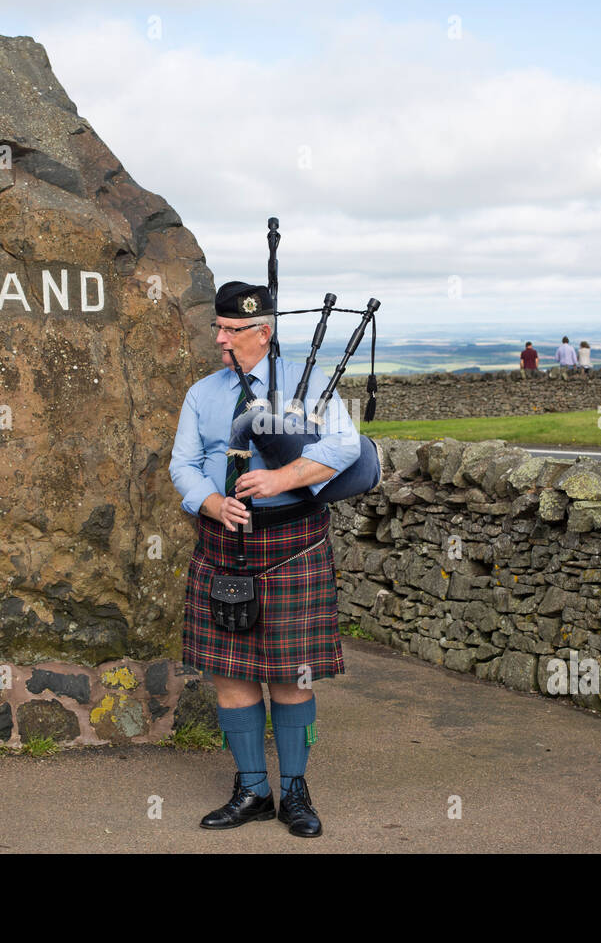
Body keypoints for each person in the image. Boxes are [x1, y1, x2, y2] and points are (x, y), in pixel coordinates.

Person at [169, 279, 361, 838]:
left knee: (292, 676)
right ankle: (252, 789)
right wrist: (209, 501)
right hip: (223, 545)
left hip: (292, 544)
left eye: (233, 331)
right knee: (231, 672)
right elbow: (183, 463)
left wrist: (280, 477)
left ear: (264, 331)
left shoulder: (304, 386)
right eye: (219, 329)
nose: (221, 341)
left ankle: (295, 791)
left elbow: (344, 445)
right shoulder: (203, 393)